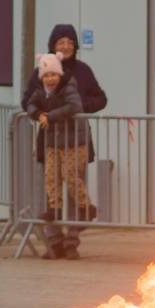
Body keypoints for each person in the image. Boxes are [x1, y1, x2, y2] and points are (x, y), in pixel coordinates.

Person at [21, 24, 106, 257]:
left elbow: (101, 98)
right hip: (49, 139)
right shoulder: (41, 69)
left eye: (70, 42)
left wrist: (76, 110)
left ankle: (72, 242)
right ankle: (53, 241)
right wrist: (38, 113)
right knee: (50, 188)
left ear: (75, 46)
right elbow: (28, 100)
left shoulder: (83, 71)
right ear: (53, 46)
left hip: (77, 139)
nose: (66, 46)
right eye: (61, 42)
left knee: (74, 187)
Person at [25, 53, 93, 260]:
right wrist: (37, 114)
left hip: (72, 143)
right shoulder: (40, 91)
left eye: (54, 74)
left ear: (60, 74)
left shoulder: (69, 87)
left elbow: (75, 107)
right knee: (51, 176)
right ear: (41, 77)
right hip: (52, 144)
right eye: (47, 75)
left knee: (71, 175)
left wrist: (50, 116)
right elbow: (29, 104)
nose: (51, 79)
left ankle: (86, 207)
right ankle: (54, 208)